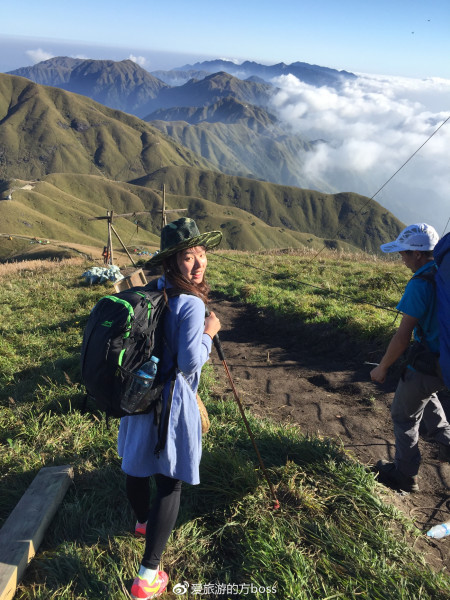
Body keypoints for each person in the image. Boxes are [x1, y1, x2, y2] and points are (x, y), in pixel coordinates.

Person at [117, 217, 222, 599]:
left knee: (137, 463)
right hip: (171, 399)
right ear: (171, 261)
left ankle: (143, 521)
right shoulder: (192, 303)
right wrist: (210, 332)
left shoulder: (154, 290)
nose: (198, 264)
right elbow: (191, 361)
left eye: (201, 255)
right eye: (188, 257)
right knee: (170, 480)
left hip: (139, 391)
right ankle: (147, 577)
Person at [370, 223, 450, 492]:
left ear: (418, 254)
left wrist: (382, 367)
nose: (401, 258)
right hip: (446, 362)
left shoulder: (420, 284)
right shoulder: (444, 274)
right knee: (426, 393)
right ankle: (447, 441)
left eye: (404, 253)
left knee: (403, 416)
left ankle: (405, 474)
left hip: (427, 363)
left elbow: (403, 336)